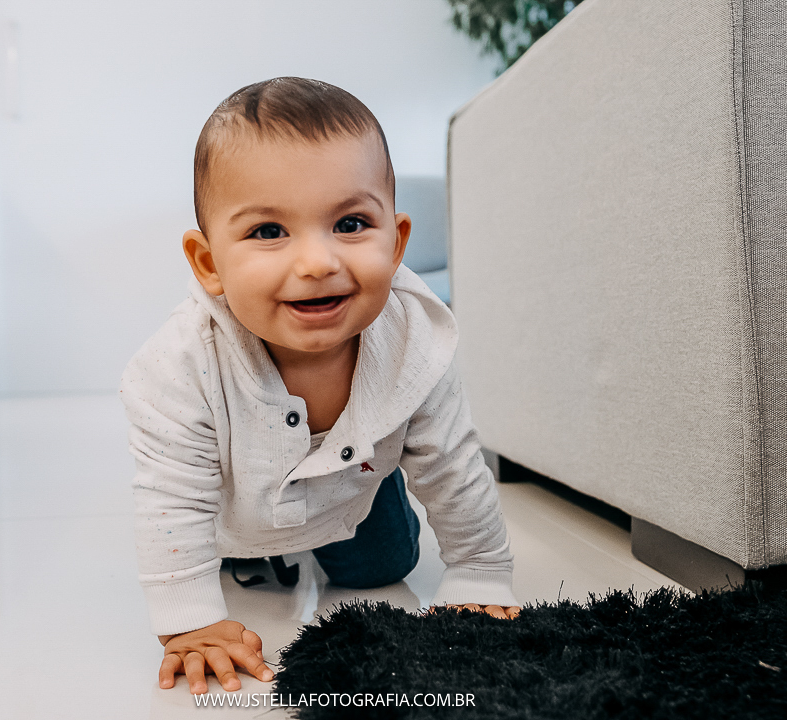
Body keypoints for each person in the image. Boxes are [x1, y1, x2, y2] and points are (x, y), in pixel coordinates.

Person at [120, 77, 519, 696]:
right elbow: (172, 498)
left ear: (396, 242)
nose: (317, 263)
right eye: (269, 232)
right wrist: (189, 620)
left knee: (384, 569)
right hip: (234, 506)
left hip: (352, 491)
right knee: (223, 554)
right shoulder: (180, 364)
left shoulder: (414, 342)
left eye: (351, 223)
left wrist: (480, 571)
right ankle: (252, 554)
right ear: (208, 264)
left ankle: (356, 512)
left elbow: (452, 464)